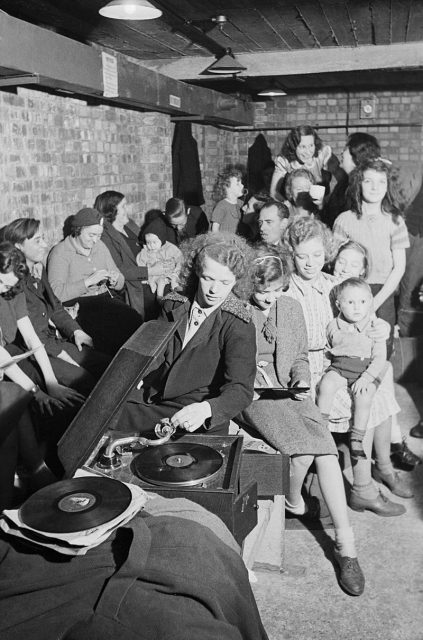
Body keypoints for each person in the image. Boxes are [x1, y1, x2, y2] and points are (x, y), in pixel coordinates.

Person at [236, 244, 365, 596]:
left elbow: (298, 358)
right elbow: (229, 370)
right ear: (250, 287)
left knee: (325, 450)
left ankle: (346, 547)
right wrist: (254, 377)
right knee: (305, 448)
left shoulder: (289, 307)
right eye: (263, 293)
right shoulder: (236, 311)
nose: (270, 299)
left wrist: (300, 378)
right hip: (253, 397)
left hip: (288, 394)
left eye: (277, 291)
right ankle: (295, 501)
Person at [285, 219, 409, 515]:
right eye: (303, 256)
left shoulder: (333, 286)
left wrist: (377, 328)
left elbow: (360, 313)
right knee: (357, 400)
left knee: (373, 392)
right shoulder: (287, 289)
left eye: (317, 256)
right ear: (292, 254)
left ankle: (368, 481)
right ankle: (362, 483)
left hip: (333, 361)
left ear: (325, 253)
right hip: (302, 369)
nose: (311, 263)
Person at [114, 232, 256, 436]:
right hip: (156, 397)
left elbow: (240, 389)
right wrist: (138, 374)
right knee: (100, 415)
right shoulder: (174, 303)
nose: (215, 289)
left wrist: (207, 409)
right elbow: (155, 351)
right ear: (196, 273)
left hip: (197, 411)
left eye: (225, 283)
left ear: (236, 282)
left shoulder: (238, 323)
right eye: (208, 279)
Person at [333, 241, 421, 470]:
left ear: (362, 272)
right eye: (341, 261)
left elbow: (373, 330)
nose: (344, 268)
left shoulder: (359, 299)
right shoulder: (329, 288)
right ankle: (391, 449)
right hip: (339, 363)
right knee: (379, 382)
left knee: (384, 371)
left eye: (353, 264)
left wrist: (380, 327)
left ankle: (389, 452)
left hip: (359, 361)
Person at [0, 218, 111, 390]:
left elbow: (55, 307)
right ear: (18, 246)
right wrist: (61, 353)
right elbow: (28, 337)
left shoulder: (38, 269)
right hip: (34, 352)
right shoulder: (12, 282)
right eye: (37, 240)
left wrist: (76, 331)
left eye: (42, 238)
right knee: (84, 381)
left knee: (108, 365)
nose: (44, 244)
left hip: (52, 341)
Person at [333, 157, 409, 358]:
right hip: (351, 291)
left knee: (381, 351)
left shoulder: (395, 220)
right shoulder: (344, 220)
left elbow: (399, 268)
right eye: (368, 181)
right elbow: (334, 262)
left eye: (381, 182)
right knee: (352, 349)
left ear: (387, 186)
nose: (375, 187)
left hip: (382, 293)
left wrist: (375, 302)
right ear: (359, 184)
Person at [0, 242, 84, 414]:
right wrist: (36, 392)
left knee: (70, 381)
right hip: (5, 359)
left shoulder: (12, 293)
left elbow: (31, 338)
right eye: (0, 281)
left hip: (9, 355)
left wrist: (51, 382)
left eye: (7, 286)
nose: (1, 289)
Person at [47, 208, 142, 355]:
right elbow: (56, 293)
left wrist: (116, 279)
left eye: (99, 235)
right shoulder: (60, 252)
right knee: (107, 332)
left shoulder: (100, 246)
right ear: (78, 230)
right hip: (79, 304)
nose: (95, 240)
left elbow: (121, 281)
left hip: (105, 299)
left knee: (134, 320)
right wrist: (88, 282)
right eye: (91, 235)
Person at [318, 278, 387, 460]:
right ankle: (321, 428)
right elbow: (328, 350)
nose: (357, 307)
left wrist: (366, 378)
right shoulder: (334, 325)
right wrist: (326, 370)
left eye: (362, 302)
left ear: (370, 302)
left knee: (363, 397)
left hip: (366, 369)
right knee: (326, 385)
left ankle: (357, 437)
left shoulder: (374, 327)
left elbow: (380, 358)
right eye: (350, 302)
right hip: (340, 367)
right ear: (338, 304)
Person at [322, 132, 381, 228]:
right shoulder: (345, 183)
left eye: (345, 149)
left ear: (357, 154)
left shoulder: (365, 189)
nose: (341, 152)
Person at [270, 125, 334, 202]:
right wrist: (290, 208)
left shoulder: (322, 154)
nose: (308, 152)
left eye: (311, 145)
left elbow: (333, 183)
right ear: (293, 146)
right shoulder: (284, 161)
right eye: (303, 147)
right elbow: (273, 192)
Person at [136, 217, 183, 298]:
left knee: (166, 281)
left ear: (162, 239)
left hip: (167, 274)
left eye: (154, 242)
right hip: (153, 275)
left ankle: (170, 288)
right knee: (157, 282)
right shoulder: (145, 252)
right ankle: (155, 290)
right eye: (148, 242)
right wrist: (145, 277)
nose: (151, 245)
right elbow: (140, 262)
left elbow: (179, 258)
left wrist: (175, 273)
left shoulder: (169, 248)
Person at [210, 167, 247, 235]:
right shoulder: (221, 206)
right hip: (225, 243)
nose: (242, 186)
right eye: (238, 184)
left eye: (241, 183)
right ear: (226, 187)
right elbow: (214, 230)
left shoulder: (241, 204)